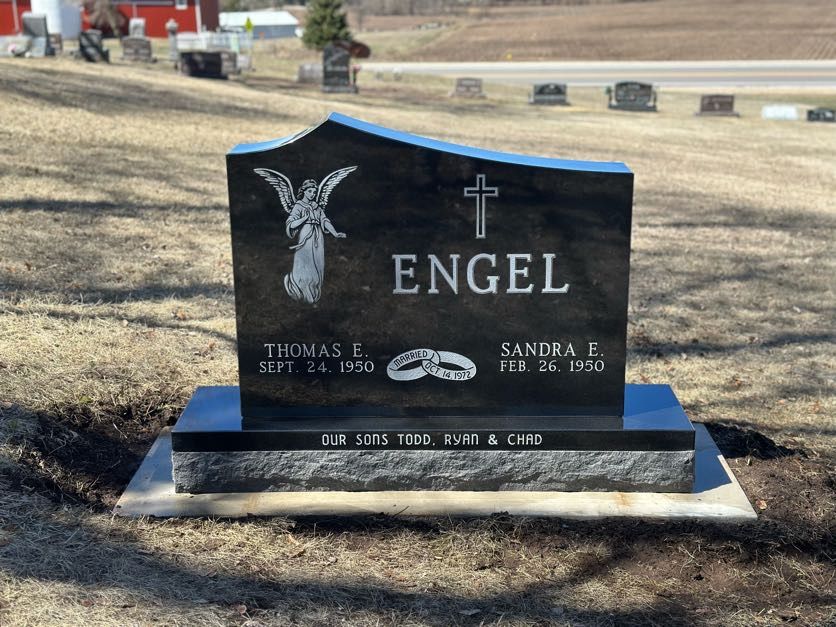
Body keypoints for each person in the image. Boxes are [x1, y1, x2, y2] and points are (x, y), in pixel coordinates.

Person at [284, 179, 346, 304]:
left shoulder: (316, 207)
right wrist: (304, 219)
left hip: (318, 237)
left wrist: (334, 232)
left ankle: (313, 291)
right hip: (306, 235)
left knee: (317, 263)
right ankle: (299, 289)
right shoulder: (298, 206)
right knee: (304, 262)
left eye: (314, 192)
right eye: (310, 191)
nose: (312, 194)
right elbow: (291, 223)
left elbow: (324, 220)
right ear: (304, 191)